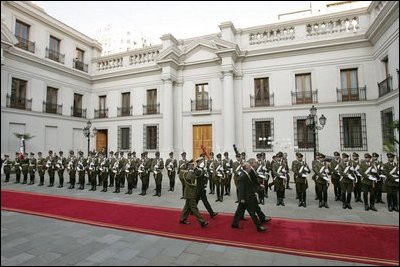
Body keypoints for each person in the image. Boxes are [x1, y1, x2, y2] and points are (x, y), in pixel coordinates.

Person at [231, 160, 268, 232]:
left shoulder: (246, 174)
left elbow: (249, 185)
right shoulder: (242, 176)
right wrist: (241, 198)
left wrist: (255, 191)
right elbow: (241, 188)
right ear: (246, 168)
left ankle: (234, 223)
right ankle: (259, 227)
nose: (251, 168)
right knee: (252, 213)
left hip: (250, 195)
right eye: (249, 167)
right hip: (246, 197)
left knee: (239, 211)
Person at [179, 161, 209, 228]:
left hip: (191, 193)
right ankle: (202, 222)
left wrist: (201, 168)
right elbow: (188, 179)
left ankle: (182, 219)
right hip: (190, 194)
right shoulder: (187, 173)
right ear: (189, 166)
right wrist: (191, 170)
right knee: (194, 208)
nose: (193, 166)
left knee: (187, 207)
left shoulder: (192, 172)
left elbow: (199, 174)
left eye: (193, 165)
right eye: (192, 165)